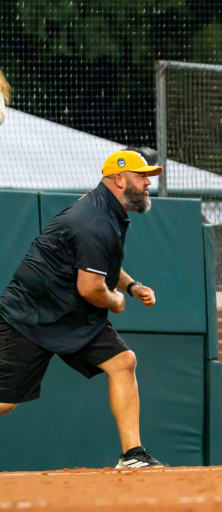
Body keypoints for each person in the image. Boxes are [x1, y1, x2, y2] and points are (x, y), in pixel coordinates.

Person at [0, 149, 165, 468]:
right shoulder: (93, 220)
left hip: (70, 314)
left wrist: (131, 287)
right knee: (4, 402)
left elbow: (100, 266)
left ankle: (132, 455)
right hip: (31, 315)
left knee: (123, 362)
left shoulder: (108, 212)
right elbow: (90, 287)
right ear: (119, 180)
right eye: (142, 176)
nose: (148, 183)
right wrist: (115, 300)